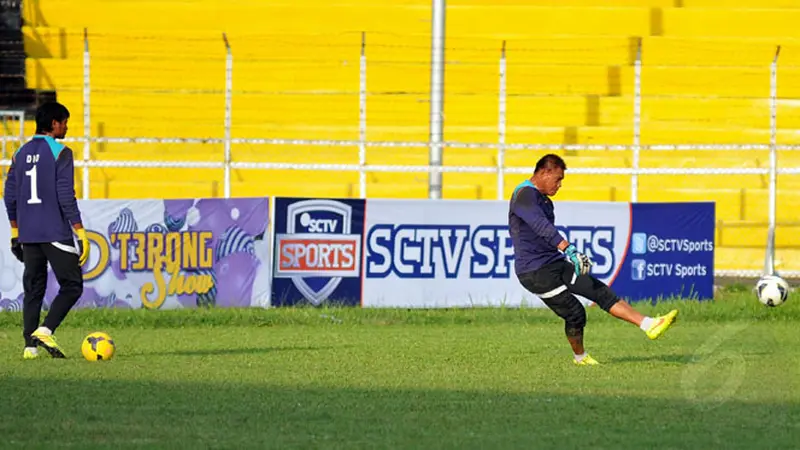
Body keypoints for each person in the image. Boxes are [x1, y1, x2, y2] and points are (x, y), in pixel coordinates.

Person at [509, 154, 678, 366]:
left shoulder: (544, 200)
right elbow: (541, 226)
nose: (560, 185)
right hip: (535, 272)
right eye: (558, 179)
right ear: (545, 172)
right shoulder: (524, 195)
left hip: (553, 263)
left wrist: (568, 254)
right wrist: (568, 249)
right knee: (575, 313)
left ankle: (648, 324)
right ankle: (580, 358)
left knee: (597, 289)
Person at [3, 102, 90, 359]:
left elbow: (10, 196)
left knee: (33, 288)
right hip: (54, 230)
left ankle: (29, 348)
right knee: (72, 285)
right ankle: (45, 329)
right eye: (64, 122)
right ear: (54, 124)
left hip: (28, 233)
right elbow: (66, 194)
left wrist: (15, 231)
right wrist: (80, 230)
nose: (66, 127)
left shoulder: (19, 153)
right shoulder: (61, 152)